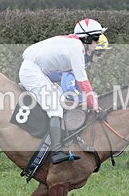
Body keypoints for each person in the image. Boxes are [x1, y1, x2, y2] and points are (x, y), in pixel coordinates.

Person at [19, 18, 106, 164]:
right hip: (33, 70)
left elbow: (56, 74)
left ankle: (60, 141)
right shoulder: (76, 48)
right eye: (96, 38)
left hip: (37, 71)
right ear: (87, 38)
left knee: (59, 96)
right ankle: (56, 152)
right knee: (55, 108)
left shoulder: (74, 44)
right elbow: (83, 83)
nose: (98, 42)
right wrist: (95, 107)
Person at [48, 34, 112, 104]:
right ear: (89, 51)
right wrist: (85, 100)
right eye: (99, 53)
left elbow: (78, 86)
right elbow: (68, 89)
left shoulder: (83, 60)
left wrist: (88, 98)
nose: (101, 56)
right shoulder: (76, 60)